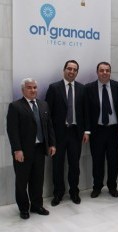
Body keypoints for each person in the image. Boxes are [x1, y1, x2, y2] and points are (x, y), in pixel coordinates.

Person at [6, 78, 56, 219]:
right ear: (23, 90)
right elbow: (12, 130)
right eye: (29, 87)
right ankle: (23, 208)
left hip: (40, 149)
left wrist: (52, 144)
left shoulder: (43, 105)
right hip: (23, 151)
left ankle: (36, 205)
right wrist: (17, 149)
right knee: (22, 181)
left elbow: (49, 127)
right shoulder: (15, 106)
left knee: (37, 179)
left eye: (35, 87)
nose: (33, 90)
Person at [45, 60, 89, 206]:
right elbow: (48, 114)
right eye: (69, 68)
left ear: (77, 72)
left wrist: (86, 131)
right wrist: (50, 137)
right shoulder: (54, 88)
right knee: (57, 165)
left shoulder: (82, 89)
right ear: (64, 70)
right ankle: (58, 193)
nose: (71, 71)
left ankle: (74, 192)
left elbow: (86, 112)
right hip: (58, 135)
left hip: (76, 133)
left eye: (74, 69)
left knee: (74, 166)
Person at [84, 61, 118, 198]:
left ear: (110, 72)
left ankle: (112, 186)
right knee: (97, 160)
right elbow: (86, 112)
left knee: (113, 160)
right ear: (97, 72)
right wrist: (87, 131)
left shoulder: (117, 86)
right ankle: (97, 186)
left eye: (107, 70)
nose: (105, 73)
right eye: (102, 70)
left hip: (113, 130)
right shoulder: (89, 88)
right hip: (97, 131)